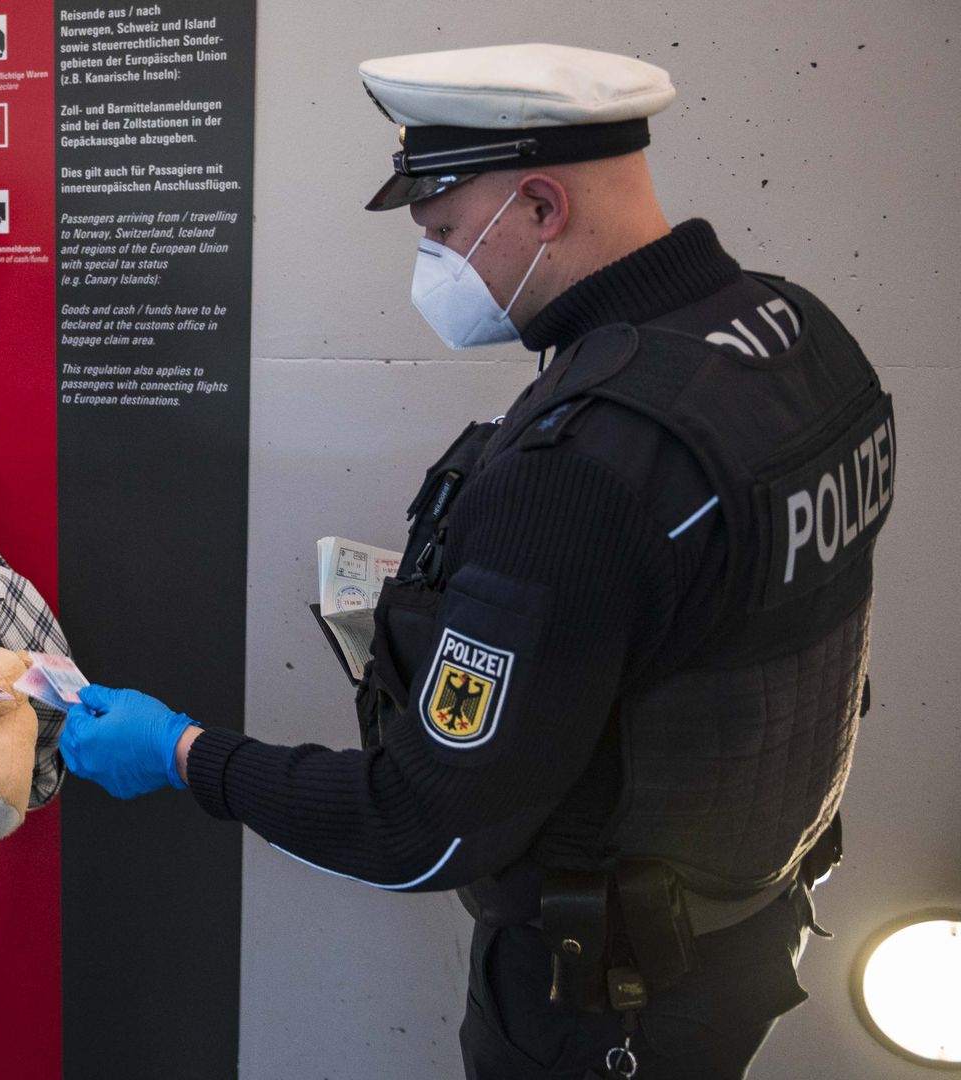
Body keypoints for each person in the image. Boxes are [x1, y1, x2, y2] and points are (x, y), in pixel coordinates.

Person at [60, 43, 893, 1080]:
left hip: (599, 1008)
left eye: (445, 232)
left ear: (541, 206)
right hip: (741, 935)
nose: (437, 267)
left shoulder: (586, 463)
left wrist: (182, 753)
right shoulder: (798, 334)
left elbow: (417, 829)